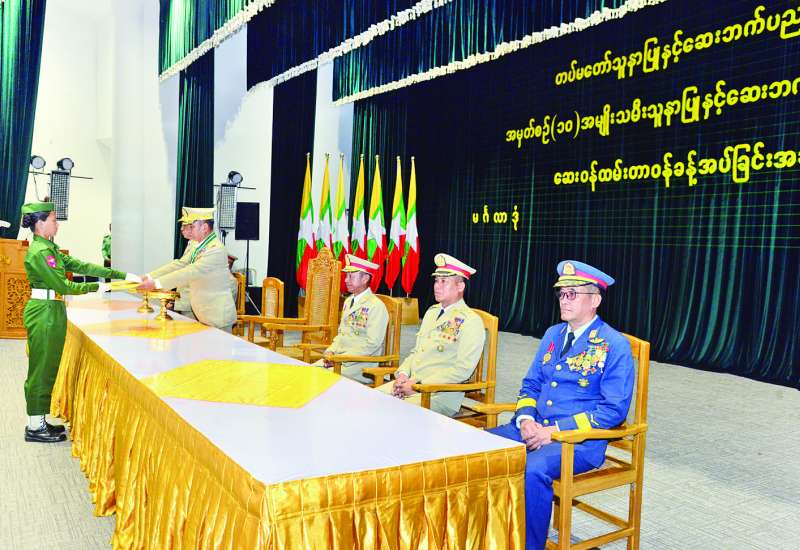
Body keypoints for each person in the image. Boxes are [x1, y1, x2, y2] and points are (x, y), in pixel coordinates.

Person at [487, 260, 634, 549]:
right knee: (478, 448)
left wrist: (554, 431)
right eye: (561, 294)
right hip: (534, 427)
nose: (564, 300)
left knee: (532, 469)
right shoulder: (553, 334)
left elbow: (613, 410)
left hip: (578, 442)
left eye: (572, 294)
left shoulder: (613, 344)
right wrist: (525, 420)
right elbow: (531, 385)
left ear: (595, 300)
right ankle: (491, 533)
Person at [20, 201, 139, 443]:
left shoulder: (49, 248)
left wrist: (121, 275)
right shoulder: (41, 252)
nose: (57, 224)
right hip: (44, 313)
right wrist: (98, 287)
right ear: (40, 223)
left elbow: (81, 266)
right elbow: (64, 285)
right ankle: (35, 426)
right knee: (41, 369)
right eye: (54, 220)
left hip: (51, 310)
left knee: (48, 366)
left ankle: (39, 418)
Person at [378, 253, 485, 416]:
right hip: (412, 385)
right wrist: (402, 374)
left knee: (390, 413)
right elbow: (417, 352)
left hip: (439, 394)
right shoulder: (431, 312)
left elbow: (462, 370)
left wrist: (418, 384)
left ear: (460, 286)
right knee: (371, 400)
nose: (437, 286)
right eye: (436, 280)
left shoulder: (471, 321)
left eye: (444, 281)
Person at [139, 207, 236, 330]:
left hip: (216, 315)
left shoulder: (215, 249)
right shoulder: (198, 245)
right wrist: (149, 276)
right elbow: (180, 264)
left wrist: (156, 283)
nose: (188, 230)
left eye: (192, 227)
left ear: (204, 228)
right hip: (203, 312)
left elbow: (190, 271)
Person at [313, 254, 388, 382]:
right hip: (339, 360)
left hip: (359, 366)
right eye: (346, 276)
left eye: (351, 276)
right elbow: (342, 334)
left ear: (365, 278)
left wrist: (341, 357)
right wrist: (331, 352)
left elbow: (372, 344)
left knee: (318, 378)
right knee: (308, 372)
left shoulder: (376, 306)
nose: (346, 280)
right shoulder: (348, 301)